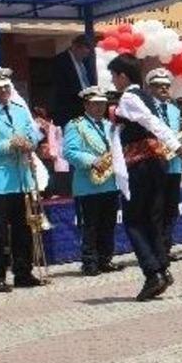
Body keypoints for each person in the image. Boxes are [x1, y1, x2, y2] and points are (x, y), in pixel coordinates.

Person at [107, 55, 182, 301]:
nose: (113, 81)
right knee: (153, 219)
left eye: (114, 76)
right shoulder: (146, 96)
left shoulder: (130, 97)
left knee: (134, 221)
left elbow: (152, 122)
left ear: (123, 76)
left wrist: (176, 145)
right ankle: (161, 268)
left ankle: (153, 273)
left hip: (141, 164)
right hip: (155, 163)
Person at [0, 68, 45, 292]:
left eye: (6, 87)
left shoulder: (19, 110)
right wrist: (7, 144)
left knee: (24, 227)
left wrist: (30, 142)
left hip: (22, 178)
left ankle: (23, 272)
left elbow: (32, 134)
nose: (4, 91)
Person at [62, 86, 121, 275]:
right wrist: (92, 161)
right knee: (90, 226)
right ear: (86, 105)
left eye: (102, 104)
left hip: (110, 182)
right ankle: (89, 262)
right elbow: (69, 152)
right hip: (88, 185)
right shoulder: (76, 125)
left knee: (108, 224)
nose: (99, 107)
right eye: (95, 104)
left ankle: (105, 259)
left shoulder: (109, 125)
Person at [147, 68, 182, 261]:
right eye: (159, 86)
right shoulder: (147, 109)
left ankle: (166, 247)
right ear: (150, 88)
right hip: (156, 165)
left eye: (166, 86)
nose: (164, 89)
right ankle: (156, 249)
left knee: (171, 208)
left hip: (174, 165)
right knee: (156, 209)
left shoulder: (175, 110)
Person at [50, 34, 96, 127]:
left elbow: (89, 82)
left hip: (86, 109)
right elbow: (60, 89)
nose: (85, 55)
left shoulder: (86, 62)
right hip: (68, 110)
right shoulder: (60, 61)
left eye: (87, 52)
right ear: (74, 47)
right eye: (83, 51)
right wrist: (81, 97)